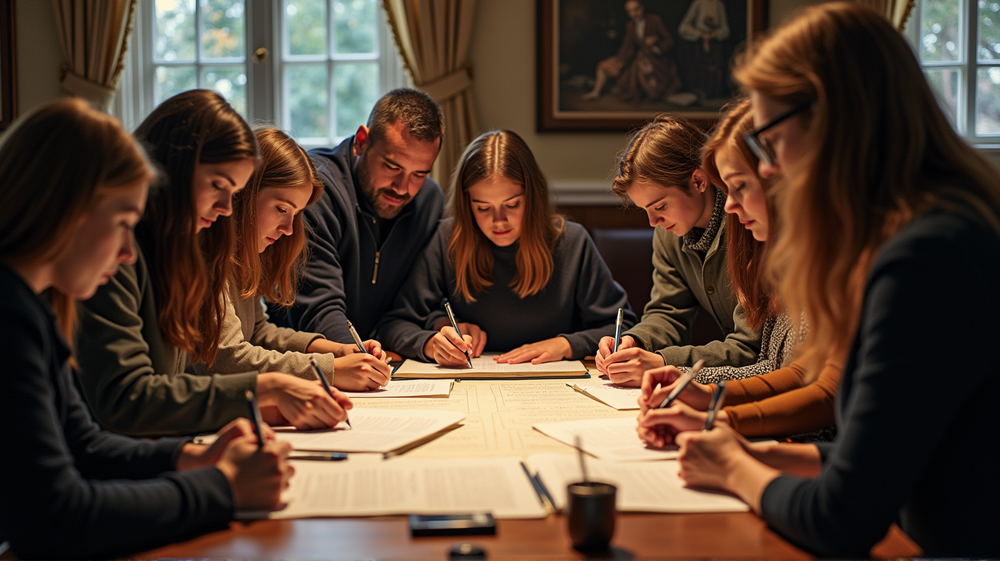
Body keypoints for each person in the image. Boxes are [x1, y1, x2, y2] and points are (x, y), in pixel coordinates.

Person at [672, 4, 1000, 556]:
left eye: (772, 142)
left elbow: (843, 518)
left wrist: (733, 467)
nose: (769, 169)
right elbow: (884, 462)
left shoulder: (925, 259)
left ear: (835, 120)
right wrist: (756, 453)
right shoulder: (926, 231)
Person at [0, 98, 292, 559]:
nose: (128, 254)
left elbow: (86, 445)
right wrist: (222, 490)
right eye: (121, 224)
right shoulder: (10, 316)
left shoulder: (33, 309)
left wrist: (190, 458)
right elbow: (54, 517)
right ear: (63, 210)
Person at [75, 90, 352, 436]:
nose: (226, 208)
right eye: (219, 187)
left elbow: (158, 396)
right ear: (172, 170)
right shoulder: (121, 255)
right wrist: (267, 391)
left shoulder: (179, 249)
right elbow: (129, 400)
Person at [636, 99, 840, 442]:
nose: (729, 204)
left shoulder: (836, 258)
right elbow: (784, 371)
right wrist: (701, 393)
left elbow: (824, 400)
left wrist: (716, 419)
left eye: (739, 186)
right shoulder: (790, 256)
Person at [377, 130, 635, 365]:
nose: (498, 220)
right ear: (467, 204)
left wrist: (566, 344)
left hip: (554, 382)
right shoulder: (447, 239)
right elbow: (393, 325)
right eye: (483, 208)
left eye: (512, 205)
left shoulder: (571, 242)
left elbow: (622, 328)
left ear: (532, 197)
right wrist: (433, 340)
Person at [205, 127, 391, 391]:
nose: (289, 229)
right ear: (243, 193)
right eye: (281, 209)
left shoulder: (245, 255)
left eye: (296, 214)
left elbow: (258, 334)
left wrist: (336, 350)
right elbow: (227, 358)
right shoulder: (209, 258)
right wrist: (329, 370)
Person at [595, 114, 762, 385]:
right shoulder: (668, 233)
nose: (653, 222)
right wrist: (635, 342)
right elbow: (668, 311)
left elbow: (749, 349)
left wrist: (661, 362)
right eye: (645, 210)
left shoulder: (751, 225)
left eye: (660, 206)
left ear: (698, 181)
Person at [280, 88, 445, 344]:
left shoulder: (429, 202)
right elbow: (317, 311)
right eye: (392, 166)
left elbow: (410, 309)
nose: (402, 187)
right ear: (361, 142)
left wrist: (431, 335)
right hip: (306, 358)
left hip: (379, 355)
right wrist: (358, 358)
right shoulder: (314, 191)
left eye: (419, 174)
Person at [582, 0, 682, 103]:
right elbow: (626, 45)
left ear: (642, 8)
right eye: (630, 11)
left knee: (638, 69)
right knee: (605, 65)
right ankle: (596, 92)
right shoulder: (630, 25)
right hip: (639, 58)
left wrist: (656, 42)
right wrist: (619, 59)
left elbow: (669, 41)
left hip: (657, 60)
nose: (633, 14)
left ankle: (651, 93)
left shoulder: (655, 20)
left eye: (636, 9)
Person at [676, 0, 731, 99]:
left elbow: (725, 30)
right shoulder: (698, 3)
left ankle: (713, 92)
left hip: (715, 44)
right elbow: (683, 28)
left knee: (715, 69)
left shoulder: (718, 4)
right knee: (699, 68)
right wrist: (700, 35)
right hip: (699, 45)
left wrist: (714, 34)